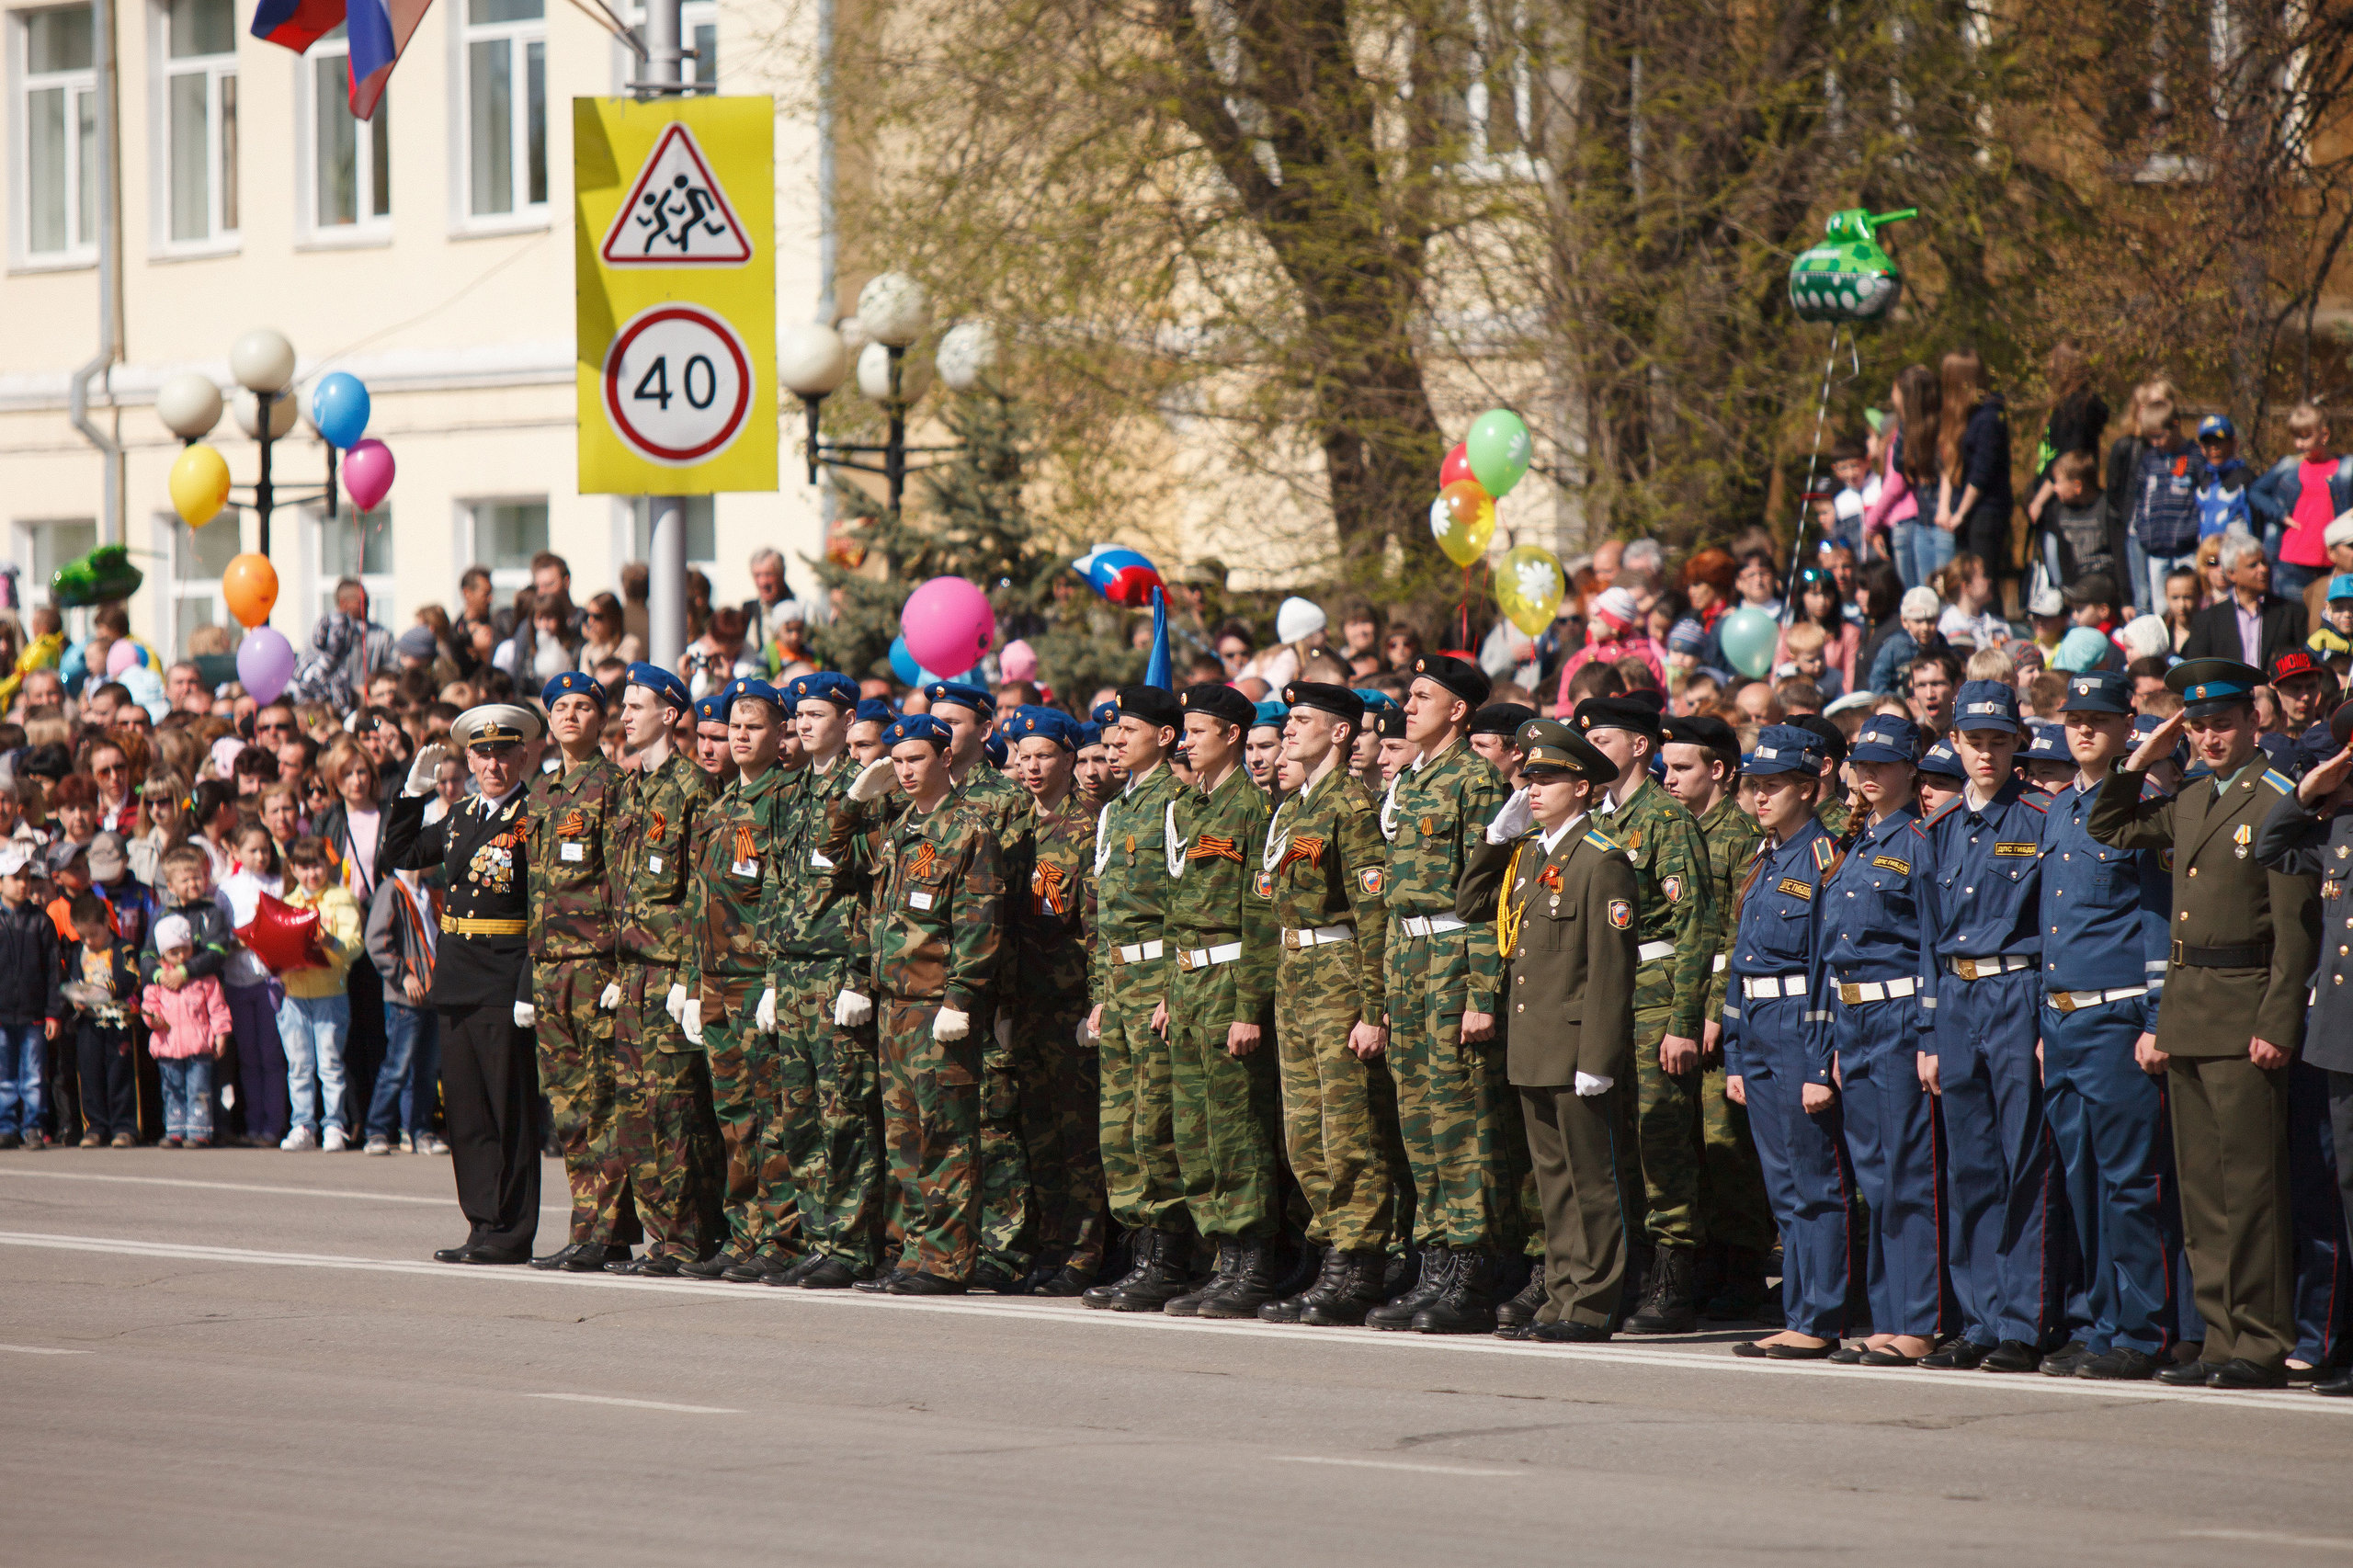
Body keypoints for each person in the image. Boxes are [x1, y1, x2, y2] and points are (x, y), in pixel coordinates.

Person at [2092, 659, 2317, 1389]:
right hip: (2189, 1012)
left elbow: (2296, 932)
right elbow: (2111, 821)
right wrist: (2144, 755)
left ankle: (2259, 1342)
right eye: (2197, 726)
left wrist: (2278, 1020)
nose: (2210, 737)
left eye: (2222, 723)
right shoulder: (2189, 796)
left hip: (2245, 1010)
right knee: (2202, 1191)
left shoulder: (2278, 800)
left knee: (2249, 1191)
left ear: (2254, 722)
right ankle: (2219, 1338)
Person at [1455, 719, 1639, 1344]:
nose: (1533, 789)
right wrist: (1493, 839)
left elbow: (1610, 970)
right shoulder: (1531, 854)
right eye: (1529, 778)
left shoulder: (1601, 862)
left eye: (1548, 779)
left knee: (1591, 1181)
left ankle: (1591, 1303)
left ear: (1583, 788)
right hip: (1534, 1043)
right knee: (1552, 1182)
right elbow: (1471, 904)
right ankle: (1561, 1293)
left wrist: (1600, 1057)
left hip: (1577, 1044)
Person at [2032, 668, 2181, 1380]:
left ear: (2129, 727)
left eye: (2100, 718)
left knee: (2131, 1184)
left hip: (2117, 1018)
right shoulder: (2060, 808)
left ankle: (2144, 1331)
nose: (2084, 729)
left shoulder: (2145, 806)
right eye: (2074, 718)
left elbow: (2157, 919)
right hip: (2061, 1021)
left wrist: (2154, 1019)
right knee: (2081, 1180)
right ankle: (2098, 1323)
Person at [1370, 654, 1517, 1332]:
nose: (1409, 705)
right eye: (1409, 694)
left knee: (1463, 1121)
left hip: (1457, 957)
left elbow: (1490, 898)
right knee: (1420, 1120)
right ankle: (1434, 1264)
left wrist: (1484, 995)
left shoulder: (1476, 781)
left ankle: (1472, 1270)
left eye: (1422, 696)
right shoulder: (1412, 779)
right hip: (1409, 955)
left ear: (1458, 710)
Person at [1252, 682, 1401, 1326]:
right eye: (1289, 719)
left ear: (1340, 732)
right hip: (1296, 970)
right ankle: (1328, 1251)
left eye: (1303, 720)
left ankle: (1359, 1261)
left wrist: (1374, 1009)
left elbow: (1373, 917)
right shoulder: (1293, 806)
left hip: (1340, 970)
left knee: (1349, 1130)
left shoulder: (1352, 805)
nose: (1290, 730)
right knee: (1304, 1131)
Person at [1564, 695, 1714, 1335]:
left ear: (1640, 748)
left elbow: (1697, 926)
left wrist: (1683, 1021)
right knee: (1616, 1140)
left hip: (1655, 989)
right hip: (1608, 993)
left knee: (1662, 1140)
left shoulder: (1664, 819)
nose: (1593, 747)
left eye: (1606, 737)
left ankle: (1674, 1278)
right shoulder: (1596, 818)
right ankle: (1626, 1272)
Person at [379, 706, 547, 1266]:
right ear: (469, 759)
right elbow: (398, 855)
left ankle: (513, 1229)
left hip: (504, 979)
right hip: (456, 976)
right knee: (469, 1114)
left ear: (523, 755)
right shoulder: (458, 816)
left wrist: (528, 983)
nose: (493, 763)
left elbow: (541, 910)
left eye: (503, 752)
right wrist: (411, 794)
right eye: (482, 753)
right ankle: (482, 1222)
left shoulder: (536, 815)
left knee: (510, 1109)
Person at [850, 713, 1003, 1293]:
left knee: (946, 1137)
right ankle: (914, 1254)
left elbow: (979, 921)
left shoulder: (968, 830)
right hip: (895, 1006)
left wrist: (961, 996)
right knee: (904, 1140)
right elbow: (867, 902)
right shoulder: (897, 827)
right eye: (899, 760)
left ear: (943, 759)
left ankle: (946, 1261)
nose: (905, 770)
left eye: (916, 759)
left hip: (939, 1006)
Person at [1720, 725, 1852, 1357]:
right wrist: (1736, 1053)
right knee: (1783, 1185)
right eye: (1755, 786)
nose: (1760, 796)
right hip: (1762, 1027)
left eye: (1773, 785)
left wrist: (1821, 1061)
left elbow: (1829, 966)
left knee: (1814, 1178)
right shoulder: (1765, 860)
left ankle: (1820, 1314)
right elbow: (1743, 963)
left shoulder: (1826, 859)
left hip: (1802, 1025)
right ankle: (1800, 1308)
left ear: (1808, 786)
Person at [1154, 682, 1284, 1319]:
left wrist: (1247, 1008)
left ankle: (1253, 1260)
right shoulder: (1195, 806)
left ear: (1232, 735)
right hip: (1190, 983)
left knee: (1236, 1128)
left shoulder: (1251, 809)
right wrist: (1169, 993)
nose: (1186, 742)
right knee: (1195, 1130)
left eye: (1197, 731)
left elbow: (1260, 916)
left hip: (1231, 979)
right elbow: (1182, 909)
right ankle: (1221, 1257)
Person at [1813, 715, 1940, 1366]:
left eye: (1884, 764)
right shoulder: (1854, 843)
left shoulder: (1921, 843)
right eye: (1861, 762)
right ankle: (1887, 1315)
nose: (1869, 774)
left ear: (1911, 770)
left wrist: (1927, 1031)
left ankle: (1916, 1320)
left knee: (1905, 1174)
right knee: (1874, 1177)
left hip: (1896, 1022)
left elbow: (1928, 947)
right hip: (1854, 1021)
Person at [761, 672, 884, 1290]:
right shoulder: (789, 791)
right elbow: (777, 888)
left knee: (845, 1115)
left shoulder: (863, 788)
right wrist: (770, 976)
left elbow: (872, 890)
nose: (804, 723)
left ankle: (852, 1243)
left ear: (846, 718)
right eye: (798, 715)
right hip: (793, 967)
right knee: (801, 1113)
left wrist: (860, 976)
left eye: (816, 714)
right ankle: (818, 1236)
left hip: (837, 967)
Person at [608, 665, 726, 1274]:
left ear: (671, 715)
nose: (626, 715)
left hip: (668, 973)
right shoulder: (632, 791)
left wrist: (688, 978)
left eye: (637, 705)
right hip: (631, 972)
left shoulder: (693, 790)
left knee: (675, 1110)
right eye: (624, 705)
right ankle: (662, 1236)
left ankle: (690, 1238)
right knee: (635, 1110)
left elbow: (700, 896)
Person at [1083, 685, 1196, 1311]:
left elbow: (1187, 905)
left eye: (1128, 730)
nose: (1115, 740)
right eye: (1111, 731)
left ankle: (1168, 1256)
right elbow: (1107, 918)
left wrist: (1174, 988)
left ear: (1166, 736)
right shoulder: (1118, 807)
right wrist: (1102, 992)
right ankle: (1140, 1249)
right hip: (1122, 981)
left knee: (1155, 1124)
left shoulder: (1174, 802)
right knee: (1119, 1127)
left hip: (1158, 977)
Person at [520, 671, 639, 1268]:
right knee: (567, 1105)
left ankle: (604, 1232)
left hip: (594, 964)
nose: (570, 715)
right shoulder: (540, 795)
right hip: (548, 969)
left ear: (602, 718)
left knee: (603, 1101)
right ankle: (590, 1225)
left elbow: (624, 880)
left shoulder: (615, 788)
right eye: (560, 706)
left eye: (583, 705)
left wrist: (622, 964)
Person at [997, 703, 1107, 1294]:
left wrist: (1096, 1003)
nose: (1032, 766)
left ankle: (1083, 1252)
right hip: (1026, 1002)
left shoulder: (1089, 828)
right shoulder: (1014, 829)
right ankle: (1047, 1243)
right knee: (1035, 1130)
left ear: (1070, 758)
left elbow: (1095, 926)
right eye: (1024, 756)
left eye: (1044, 755)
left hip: (1069, 1003)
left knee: (1077, 1135)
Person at [277, 837, 364, 1152]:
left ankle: (334, 1125)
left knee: (330, 1063)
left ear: (327, 864)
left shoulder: (342, 899)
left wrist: (331, 943)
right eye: (304, 866)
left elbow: (355, 945)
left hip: (330, 991)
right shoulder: (288, 902)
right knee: (299, 1064)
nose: (312, 873)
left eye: (317, 865)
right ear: (293, 869)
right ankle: (302, 1125)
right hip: (295, 993)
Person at [364, 856, 446, 1157]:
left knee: (426, 1069)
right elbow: (376, 942)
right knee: (397, 1067)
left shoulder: (429, 890)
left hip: (433, 995)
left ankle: (420, 1130)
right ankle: (377, 1130)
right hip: (405, 998)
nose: (439, 859)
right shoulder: (392, 889)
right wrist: (403, 975)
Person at [140, 913, 232, 1149]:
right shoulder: (157, 981)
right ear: (162, 955)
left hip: (198, 1045)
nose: (181, 956)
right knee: (172, 1089)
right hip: (168, 1046)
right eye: (174, 952)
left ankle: (199, 1129)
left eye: (185, 949)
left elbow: (218, 1008)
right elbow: (148, 1006)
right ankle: (175, 1129)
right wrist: (153, 1020)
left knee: (199, 1089)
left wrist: (221, 1034)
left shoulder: (205, 978)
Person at [2252, 403, 2353, 605]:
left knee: (2327, 626)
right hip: (2292, 563)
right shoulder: (2289, 466)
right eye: (2296, 437)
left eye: (2305, 437)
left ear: (2324, 435)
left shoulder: (2346, 468)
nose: (2298, 444)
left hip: (2333, 563)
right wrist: (2280, 514)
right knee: (2292, 626)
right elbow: (2256, 491)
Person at [1938, 349, 2014, 581]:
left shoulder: (1989, 417)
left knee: (1982, 582)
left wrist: (1961, 512)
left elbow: (1982, 471)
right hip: (1962, 512)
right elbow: (1948, 464)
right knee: (1964, 583)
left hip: (1985, 510)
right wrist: (1944, 508)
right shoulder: (1959, 416)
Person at [2182, 530, 2306, 670]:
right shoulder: (2207, 621)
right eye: (2253, 565)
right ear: (2231, 573)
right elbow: (2198, 673)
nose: (2263, 569)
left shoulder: (2292, 612)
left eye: (2264, 563)